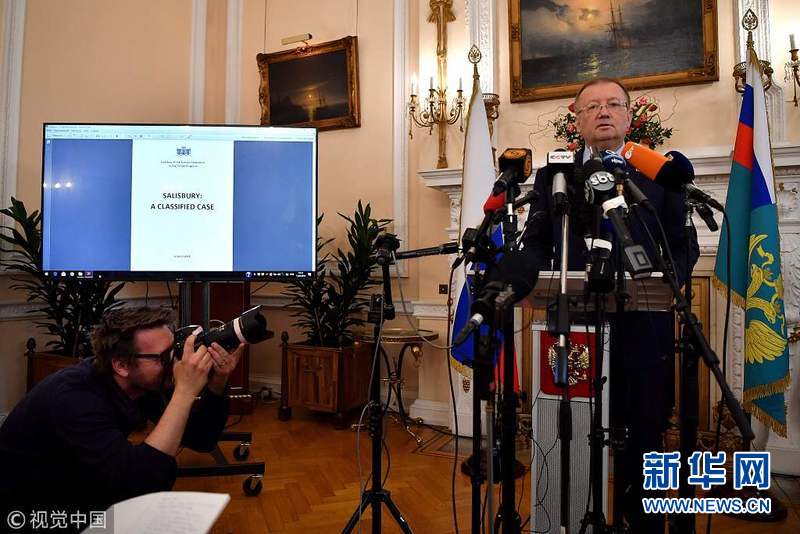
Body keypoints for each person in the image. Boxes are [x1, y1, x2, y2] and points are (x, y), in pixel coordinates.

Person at [496, 78, 699, 532]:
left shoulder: (660, 172)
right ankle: (572, 520)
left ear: (628, 115)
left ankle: (641, 524)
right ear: (578, 118)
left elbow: (683, 244)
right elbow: (536, 243)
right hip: (574, 325)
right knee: (573, 431)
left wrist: (668, 283)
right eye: (592, 107)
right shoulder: (554, 176)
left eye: (613, 104)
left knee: (643, 436)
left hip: (644, 324)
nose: (603, 112)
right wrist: (517, 277)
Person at [0, 306, 245, 513]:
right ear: (121, 365)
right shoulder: (75, 398)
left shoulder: (143, 383)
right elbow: (140, 486)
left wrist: (217, 383)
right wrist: (184, 393)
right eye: (164, 357)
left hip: (74, 481)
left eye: (175, 350)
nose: (176, 363)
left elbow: (202, 438)